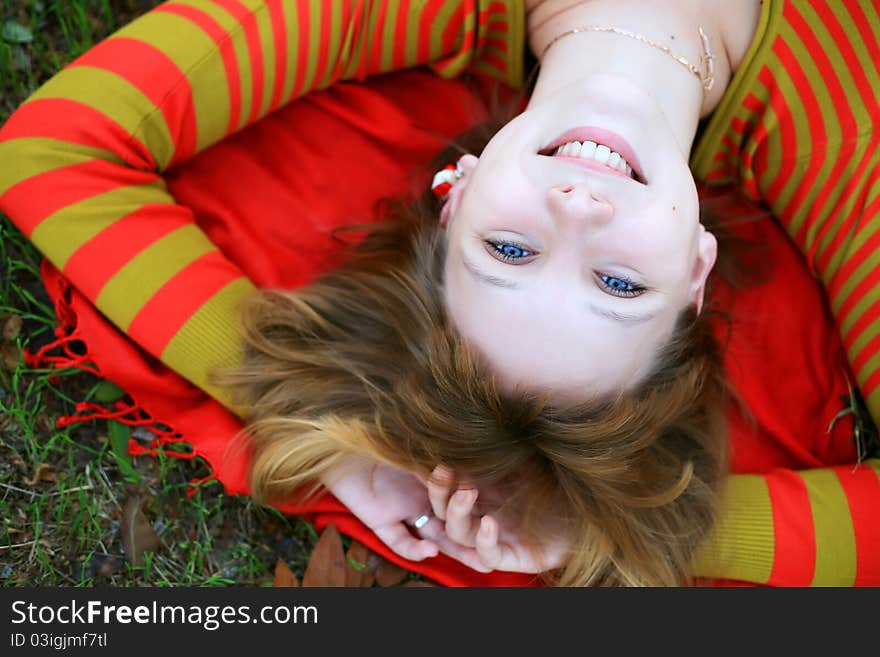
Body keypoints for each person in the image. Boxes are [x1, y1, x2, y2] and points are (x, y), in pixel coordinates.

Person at [1, 0, 877, 585]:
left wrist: (318, 422)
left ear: (455, 191)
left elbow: (54, 150)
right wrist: (607, 532)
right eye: (616, 281)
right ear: (694, 273)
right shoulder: (851, 148)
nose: (577, 211)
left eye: (509, 249)